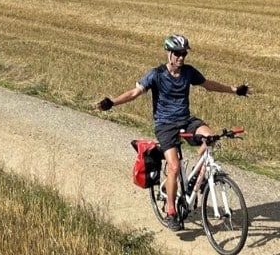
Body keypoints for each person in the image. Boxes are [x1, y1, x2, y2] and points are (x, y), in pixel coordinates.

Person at [97, 34, 249, 230]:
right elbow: (135, 92)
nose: (181, 57)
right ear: (169, 53)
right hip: (165, 125)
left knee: (209, 137)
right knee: (174, 167)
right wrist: (113, 102)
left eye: (184, 53)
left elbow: (208, 85)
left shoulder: (188, 72)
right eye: (177, 53)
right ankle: (171, 211)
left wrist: (234, 90)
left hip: (185, 120)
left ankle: (197, 176)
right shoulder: (157, 74)